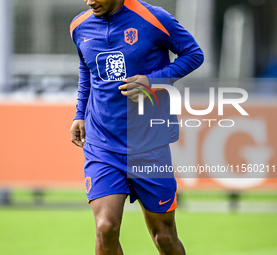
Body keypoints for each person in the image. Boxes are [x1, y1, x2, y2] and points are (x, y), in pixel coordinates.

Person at [69, 0, 204, 254]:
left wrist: (152, 81)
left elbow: (194, 54)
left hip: (149, 144)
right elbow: (87, 70)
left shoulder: (154, 18)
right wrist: (79, 113)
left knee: (164, 236)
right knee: (106, 227)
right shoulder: (79, 26)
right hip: (103, 144)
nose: (90, 1)